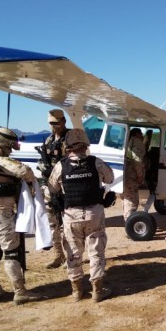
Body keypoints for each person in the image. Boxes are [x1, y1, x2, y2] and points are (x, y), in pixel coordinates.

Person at [0, 127, 43, 306]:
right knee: (11, 253)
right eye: (10, 144)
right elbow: (24, 172)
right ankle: (20, 292)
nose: (12, 148)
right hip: (2, 213)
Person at [47, 128, 114, 302]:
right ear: (85, 145)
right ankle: (97, 290)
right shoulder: (96, 162)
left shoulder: (61, 165)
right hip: (94, 213)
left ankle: (77, 291)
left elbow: (52, 188)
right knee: (96, 250)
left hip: (71, 215)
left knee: (73, 253)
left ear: (67, 146)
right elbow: (110, 178)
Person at [38, 109, 70, 268]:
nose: (54, 126)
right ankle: (59, 255)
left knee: (67, 224)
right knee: (52, 223)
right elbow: (43, 160)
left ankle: (71, 256)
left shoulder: (70, 138)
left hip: (65, 187)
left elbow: (73, 162)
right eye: (51, 123)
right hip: (50, 188)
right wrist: (42, 166)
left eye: (56, 123)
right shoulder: (49, 139)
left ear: (63, 121)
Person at [122, 127, 146, 220]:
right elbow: (137, 160)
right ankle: (130, 223)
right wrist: (140, 174)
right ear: (136, 134)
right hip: (132, 175)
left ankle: (127, 220)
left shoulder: (128, 141)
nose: (142, 136)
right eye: (141, 134)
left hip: (126, 173)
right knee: (132, 199)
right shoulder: (137, 141)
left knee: (127, 198)